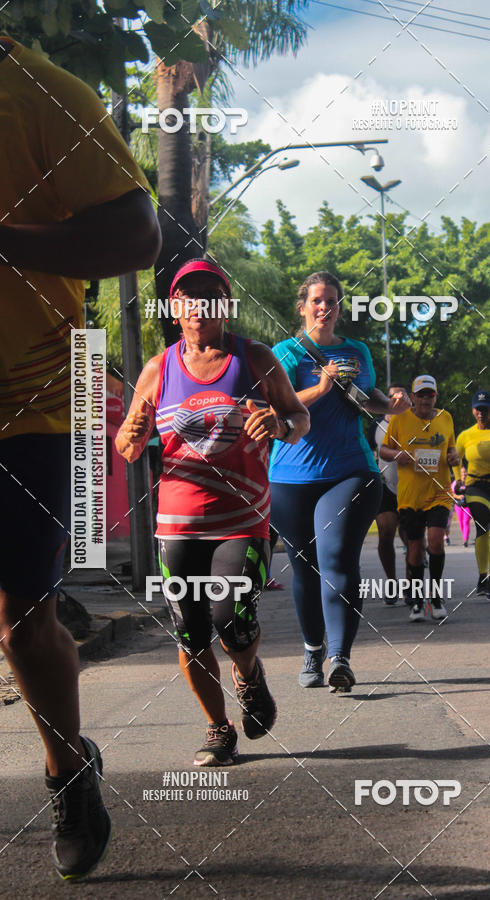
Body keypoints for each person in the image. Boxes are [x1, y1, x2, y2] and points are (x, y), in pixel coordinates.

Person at [0, 36, 161, 880]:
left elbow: (137, 233)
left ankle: (68, 773)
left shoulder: (42, 94)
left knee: (25, 618)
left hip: (26, 400)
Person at [116, 260, 309, 761]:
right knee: (190, 631)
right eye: (188, 295)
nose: (199, 302)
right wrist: (131, 438)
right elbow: (127, 445)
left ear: (225, 305)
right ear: (175, 309)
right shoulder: (159, 368)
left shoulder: (256, 358)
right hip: (176, 524)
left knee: (231, 618)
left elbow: (298, 416)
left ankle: (250, 677)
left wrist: (279, 425)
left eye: (210, 293)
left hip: (243, 520)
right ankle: (218, 729)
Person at [269, 271, 409, 692]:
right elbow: (277, 408)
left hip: (351, 469)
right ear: (303, 306)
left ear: (339, 307)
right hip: (292, 474)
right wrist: (323, 386)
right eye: (316, 300)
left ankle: (340, 658)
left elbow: (369, 400)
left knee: (337, 558)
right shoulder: (286, 353)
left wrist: (392, 404)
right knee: (305, 568)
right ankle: (312, 649)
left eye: (331, 300)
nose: (324, 307)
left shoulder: (358, 350)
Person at [380, 375, 459, 622]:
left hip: (439, 492)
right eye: (421, 395)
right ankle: (416, 601)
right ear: (413, 398)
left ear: (436, 396)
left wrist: (454, 457)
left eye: (430, 395)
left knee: (436, 541)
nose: (425, 399)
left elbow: (451, 449)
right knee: (415, 548)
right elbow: (383, 449)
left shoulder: (445, 418)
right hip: (410, 495)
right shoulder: (400, 419)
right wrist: (397, 455)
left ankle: (435, 598)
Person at [367, 383, 411, 603]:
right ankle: (391, 582)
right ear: (386, 399)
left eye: (402, 396)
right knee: (385, 531)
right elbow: (366, 453)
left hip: (411, 487)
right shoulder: (375, 425)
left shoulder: (414, 424)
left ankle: (411, 584)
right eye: (393, 396)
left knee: (410, 536)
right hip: (384, 486)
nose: (397, 399)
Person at [455, 390, 490, 600]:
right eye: (478, 409)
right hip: (475, 486)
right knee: (483, 523)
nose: (481, 413)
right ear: (473, 411)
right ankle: (482, 575)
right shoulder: (465, 435)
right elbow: (455, 458)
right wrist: (458, 481)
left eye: (485, 409)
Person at [452, 466, 472, 547]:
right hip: (458, 505)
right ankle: (465, 536)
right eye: (462, 472)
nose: (463, 474)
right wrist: (458, 497)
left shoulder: (470, 482)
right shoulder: (456, 483)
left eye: (465, 472)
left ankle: (465, 540)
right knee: (461, 524)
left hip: (468, 506)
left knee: (466, 521)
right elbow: (451, 493)